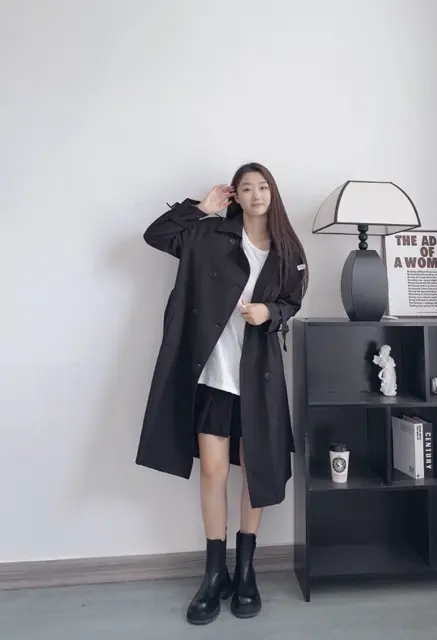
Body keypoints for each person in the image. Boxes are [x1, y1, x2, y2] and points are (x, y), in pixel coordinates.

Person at [136, 162, 308, 625]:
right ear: (236, 196)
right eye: (246, 188)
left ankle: (246, 572)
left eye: (263, 187)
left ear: (273, 193)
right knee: (212, 472)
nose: (256, 195)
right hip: (214, 374)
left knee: (256, 471)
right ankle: (214, 574)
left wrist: (269, 312)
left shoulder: (288, 250)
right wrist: (200, 208)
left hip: (258, 377)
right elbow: (156, 235)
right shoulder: (209, 235)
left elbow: (292, 301)